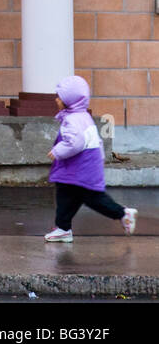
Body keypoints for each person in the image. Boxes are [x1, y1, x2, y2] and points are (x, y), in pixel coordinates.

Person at [44, 75, 137, 242]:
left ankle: (123, 213)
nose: (56, 100)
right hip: (83, 167)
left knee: (93, 199)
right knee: (67, 195)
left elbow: (75, 142)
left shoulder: (73, 120)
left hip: (80, 169)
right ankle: (63, 227)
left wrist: (58, 151)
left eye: (60, 97)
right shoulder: (82, 116)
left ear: (70, 101)